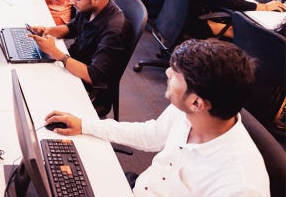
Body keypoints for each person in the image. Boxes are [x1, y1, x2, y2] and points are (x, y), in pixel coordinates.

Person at [45, 38, 270, 196]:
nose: (167, 72)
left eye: (176, 74)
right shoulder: (189, 111)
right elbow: (150, 135)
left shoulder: (240, 186)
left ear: (197, 102)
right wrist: (85, 125)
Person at [28, 0, 133, 114]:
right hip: (74, 67)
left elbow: (94, 77)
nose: (72, 2)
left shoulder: (114, 30)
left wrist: (56, 53)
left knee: (34, 93)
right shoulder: (90, 6)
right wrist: (48, 30)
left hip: (89, 91)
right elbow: (72, 28)